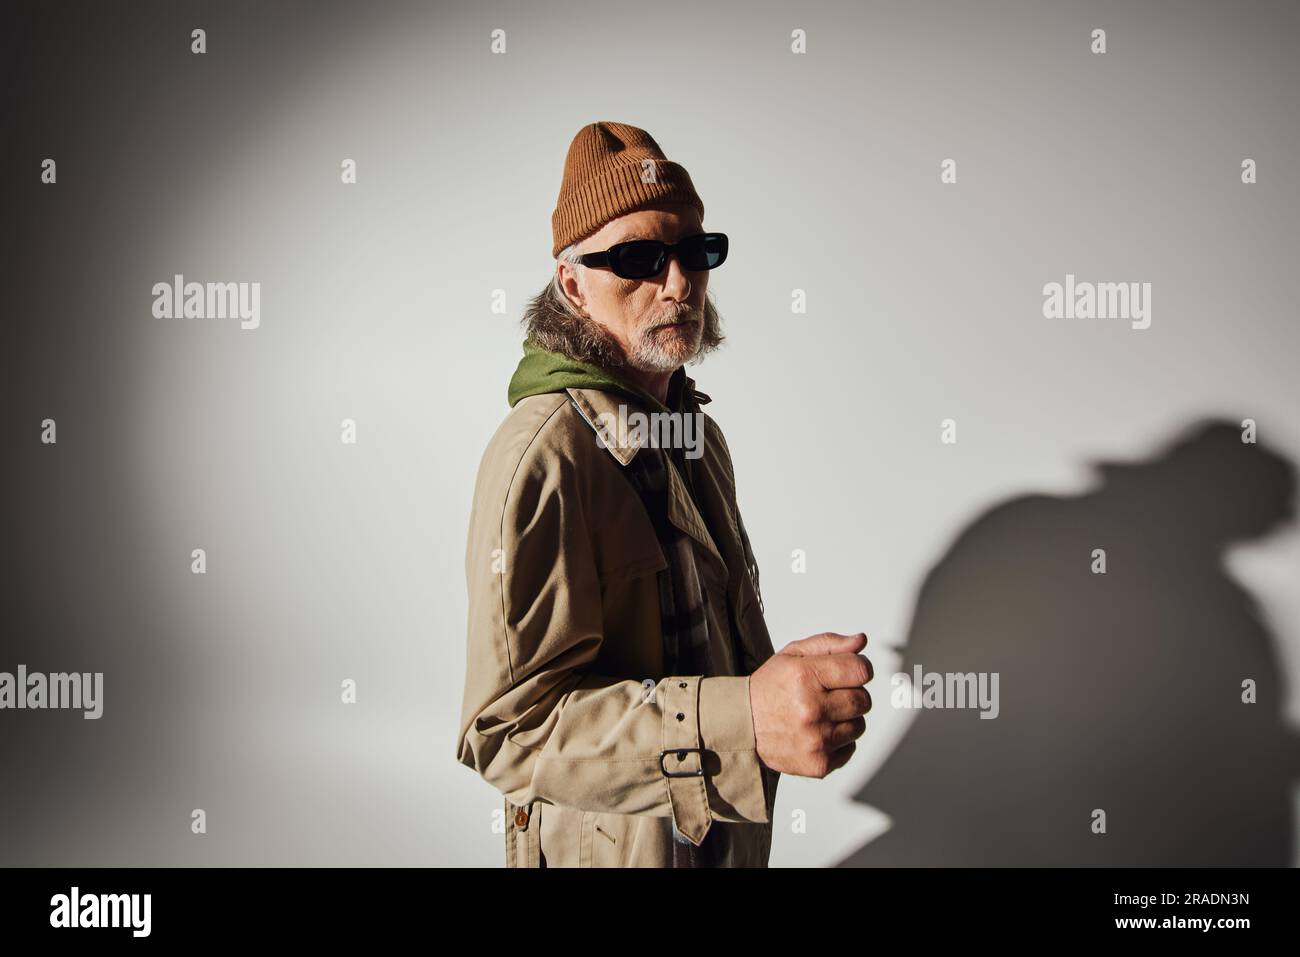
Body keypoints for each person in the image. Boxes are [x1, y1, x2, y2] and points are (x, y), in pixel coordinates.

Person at [456, 121, 872, 867]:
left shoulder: (697, 437)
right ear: (572, 283)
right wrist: (743, 715)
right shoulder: (543, 456)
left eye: (694, 252)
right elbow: (507, 732)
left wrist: (786, 695)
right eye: (639, 259)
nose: (678, 283)